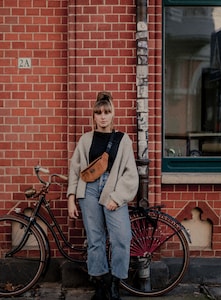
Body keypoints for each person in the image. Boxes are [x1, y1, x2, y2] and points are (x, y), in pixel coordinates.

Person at [67, 91, 139, 300]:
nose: (103, 116)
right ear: (94, 116)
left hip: (113, 190)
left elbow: (130, 173)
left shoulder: (123, 140)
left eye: (107, 112)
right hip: (88, 190)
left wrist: (117, 197)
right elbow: (75, 169)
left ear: (113, 114)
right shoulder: (85, 139)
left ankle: (115, 282)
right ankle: (101, 283)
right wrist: (71, 197)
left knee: (121, 238)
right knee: (95, 239)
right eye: (98, 113)